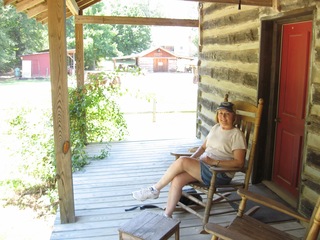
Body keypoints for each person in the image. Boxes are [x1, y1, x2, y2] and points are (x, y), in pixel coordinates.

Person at [132, 101, 247, 218]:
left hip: (219, 173)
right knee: (177, 179)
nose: (223, 117)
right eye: (220, 113)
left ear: (234, 116)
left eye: (227, 113)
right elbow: (202, 147)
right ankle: (167, 215)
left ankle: (154, 189)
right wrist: (190, 162)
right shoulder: (216, 127)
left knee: (182, 160)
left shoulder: (236, 135)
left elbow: (239, 163)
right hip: (205, 167)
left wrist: (213, 162)